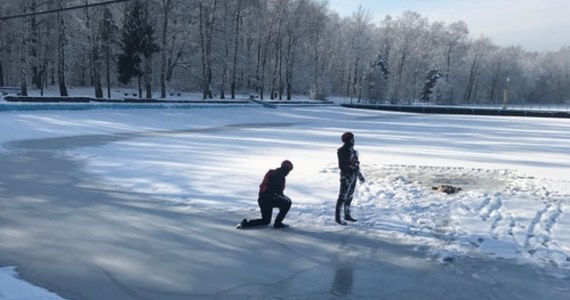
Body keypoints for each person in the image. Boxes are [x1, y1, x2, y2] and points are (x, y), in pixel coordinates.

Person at [237, 160, 294, 229]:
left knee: (266, 220)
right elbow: (271, 191)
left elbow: (278, 192)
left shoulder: (279, 176)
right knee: (287, 203)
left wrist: (281, 197)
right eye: (288, 170)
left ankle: (277, 223)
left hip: (266, 199)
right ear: (284, 169)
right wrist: (281, 198)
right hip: (266, 200)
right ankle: (277, 223)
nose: (288, 173)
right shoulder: (275, 176)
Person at [335, 132, 365, 225]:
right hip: (346, 177)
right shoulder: (342, 151)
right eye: (352, 139)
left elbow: (356, 164)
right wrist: (347, 175)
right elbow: (342, 165)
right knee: (342, 197)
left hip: (353, 176)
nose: (354, 141)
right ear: (348, 140)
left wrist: (359, 176)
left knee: (349, 196)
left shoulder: (353, 151)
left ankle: (347, 214)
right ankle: (338, 218)